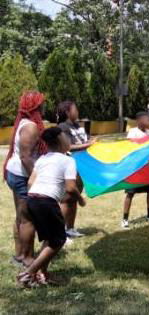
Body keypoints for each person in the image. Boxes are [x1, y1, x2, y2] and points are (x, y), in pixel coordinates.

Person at [16, 127, 86, 288]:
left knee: (49, 238)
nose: (69, 140)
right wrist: (80, 199)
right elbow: (70, 188)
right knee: (59, 239)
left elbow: (30, 182)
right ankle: (28, 274)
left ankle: (43, 274)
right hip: (45, 201)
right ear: (60, 141)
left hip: (32, 199)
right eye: (66, 137)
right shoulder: (68, 160)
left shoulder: (42, 159)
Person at [4, 91, 47, 268]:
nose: (45, 106)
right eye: (42, 104)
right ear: (36, 107)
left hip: (16, 174)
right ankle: (28, 259)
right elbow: (25, 157)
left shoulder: (24, 122)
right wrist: (36, 179)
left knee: (21, 217)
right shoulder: (30, 127)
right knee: (28, 218)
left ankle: (20, 254)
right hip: (22, 175)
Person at [57, 101, 95, 239]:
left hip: (81, 167)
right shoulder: (62, 127)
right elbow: (67, 146)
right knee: (66, 199)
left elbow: (81, 141)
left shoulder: (77, 125)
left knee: (73, 199)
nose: (77, 112)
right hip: (69, 165)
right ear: (67, 112)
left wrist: (90, 140)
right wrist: (88, 144)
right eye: (75, 109)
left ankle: (70, 229)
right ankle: (59, 233)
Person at [122, 112, 149, 229]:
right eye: (146, 119)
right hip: (135, 168)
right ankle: (125, 219)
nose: (148, 122)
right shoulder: (133, 132)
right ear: (139, 120)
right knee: (130, 193)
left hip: (146, 168)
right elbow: (131, 148)